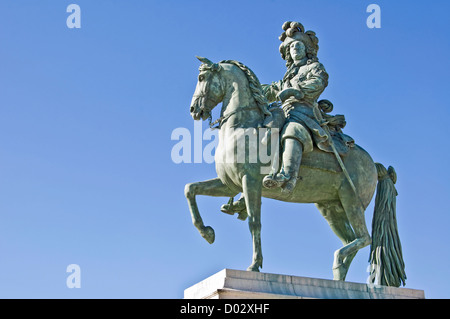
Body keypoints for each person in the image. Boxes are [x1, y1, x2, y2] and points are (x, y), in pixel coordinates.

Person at [262, 21, 330, 193]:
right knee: (264, 127)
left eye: (298, 45)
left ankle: (287, 174)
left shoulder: (314, 67)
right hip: (284, 112)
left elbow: (319, 82)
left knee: (292, 129)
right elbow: (272, 89)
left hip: (304, 112)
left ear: (307, 49)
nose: (294, 49)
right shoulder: (288, 76)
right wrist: (252, 89)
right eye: (291, 47)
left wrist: (297, 90)